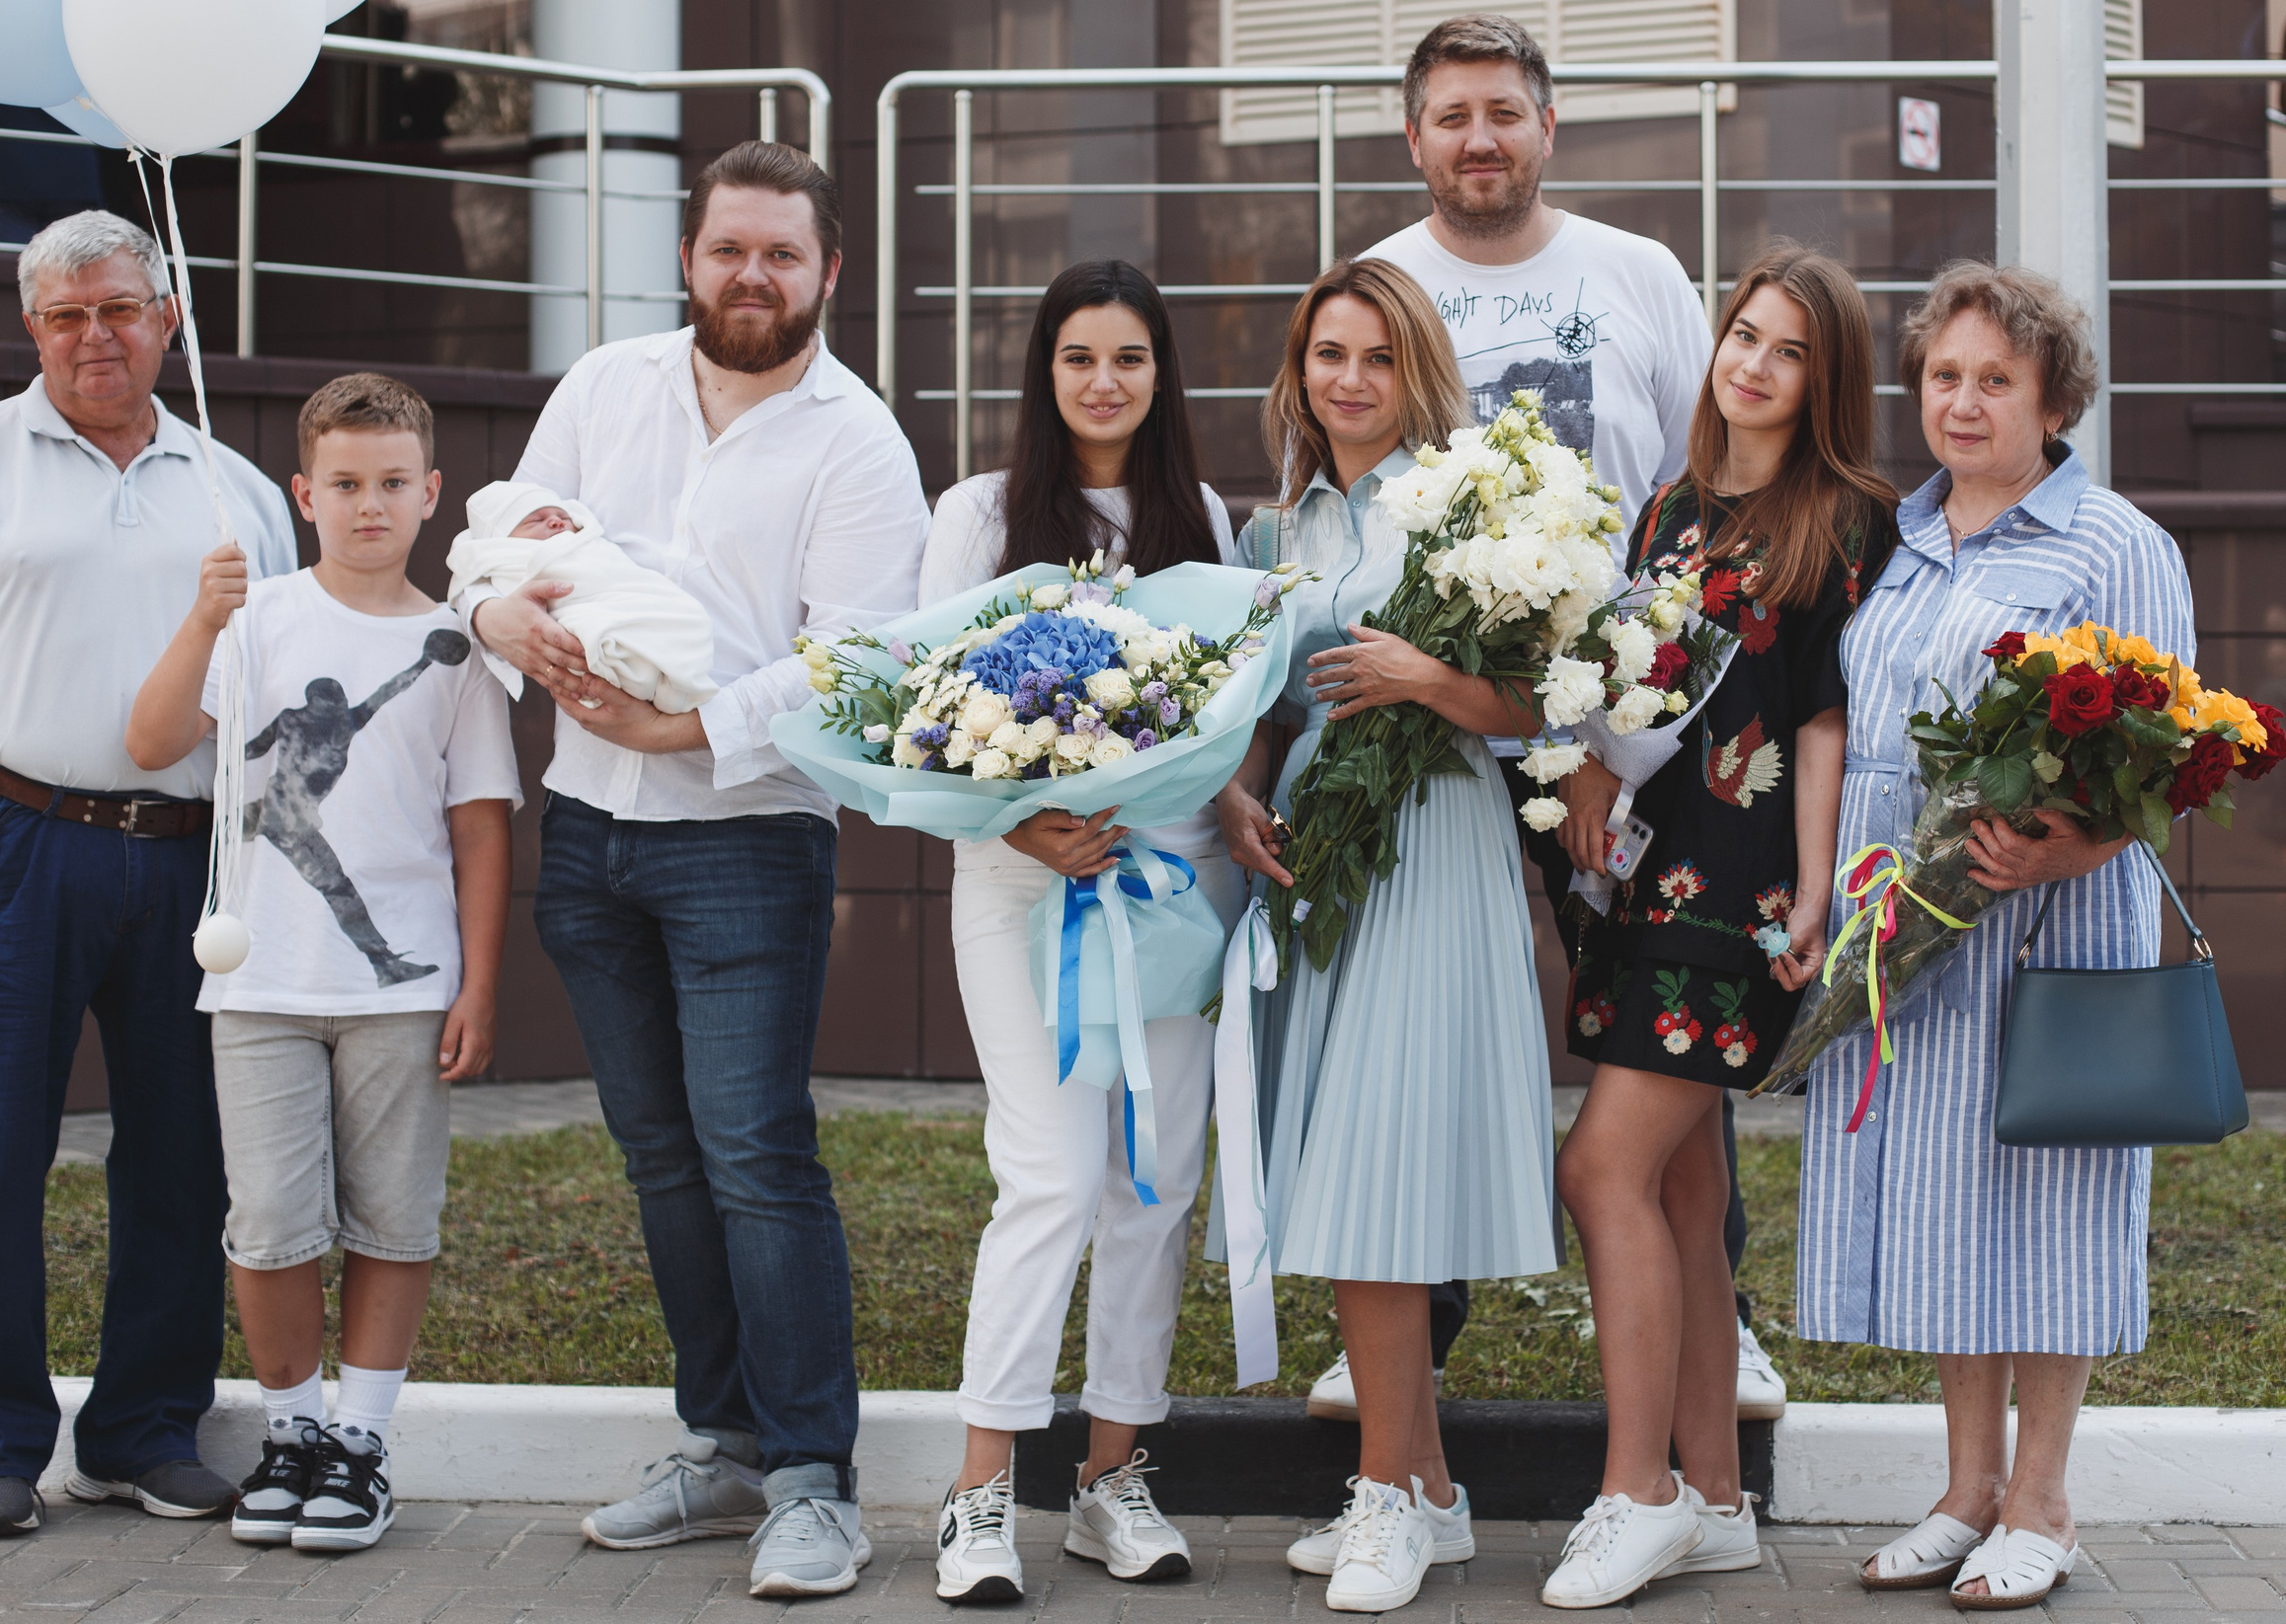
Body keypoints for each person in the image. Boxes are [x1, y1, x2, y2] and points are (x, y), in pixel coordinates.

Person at [464, 140, 928, 1600]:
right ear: (688, 257)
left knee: (755, 1156)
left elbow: (853, 662)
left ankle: (812, 1479)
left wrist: (681, 727)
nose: (752, 275)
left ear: (829, 270)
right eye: (730, 248)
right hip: (587, 829)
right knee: (661, 1155)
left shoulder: (860, 443)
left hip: (747, 836)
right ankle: (723, 1444)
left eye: (782, 254)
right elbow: (492, 541)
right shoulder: (606, 386)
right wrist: (493, 618)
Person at [1315, 11, 1780, 1422]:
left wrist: (1609, 738)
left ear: (1547, 125)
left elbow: (1710, 480)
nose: (1481, 139)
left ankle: (1723, 1314)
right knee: (1428, 1026)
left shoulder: (1635, 272)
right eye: (1453, 116)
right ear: (1413, 137)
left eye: (1504, 112)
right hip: (1434, 735)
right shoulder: (1381, 278)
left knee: (1660, 1027)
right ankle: (1413, 1314)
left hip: (1630, 734)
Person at [0, 210, 297, 1537]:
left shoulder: (238, 490)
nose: (95, 335)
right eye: (65, 315)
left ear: (168, 320)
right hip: (9, 844)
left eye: (119, 308)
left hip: (191, 859)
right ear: (32, 328)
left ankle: (143, 1429)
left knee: (183, 1154)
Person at [1800, 263, 2195, 1609]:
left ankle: (2044, 1499)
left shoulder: (2114, 545)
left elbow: (2170, 759)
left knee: (2047, 1193)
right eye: (1944, 376)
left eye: (1995, 380)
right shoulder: (1893, 538)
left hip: (2049, 919)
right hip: (1909, 920)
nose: (1962, 403)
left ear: (2053, 400)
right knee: (1941, 1203)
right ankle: (1965, 1489)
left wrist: (2059, 849)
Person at [1539, 247, 1896, 1607]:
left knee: (1599, 1169)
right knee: (1681, 1191)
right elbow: (1623, 688)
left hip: (1738, 902)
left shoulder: (1846, 520)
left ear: (1825, 380)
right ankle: (1714, 1498)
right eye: (1745, 334)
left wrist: (1813, 891)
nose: (1754, 363)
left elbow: (1823, 722)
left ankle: (1633, 1492)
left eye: (1789, 350)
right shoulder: (1669, 509)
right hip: (1639, 886)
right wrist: (1584, 768)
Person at [1216, 256, 1561, 1613]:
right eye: (1327, 354)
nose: (1348, 379)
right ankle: (1426, 1489)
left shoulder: (1479, 505)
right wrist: (1238, 796)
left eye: (1374, 355)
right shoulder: (1273, 531)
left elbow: (1542, 704)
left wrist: (1428, 676)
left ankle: (1384, 1500)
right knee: (1354, 1164)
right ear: (1299, 371)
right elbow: (1258, 710)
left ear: (1414, 367)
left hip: (1436, 843)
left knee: (1380, 1162)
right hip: (1317, 851)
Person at [124, 374, 520, 1552]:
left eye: (392, 482)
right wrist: (202, 622)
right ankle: (293, 1433)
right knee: (269, 1221)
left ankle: (361, 1441)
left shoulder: (456, 648)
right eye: (344, 483)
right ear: (303, 495)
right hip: (259, 982)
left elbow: (480, 825)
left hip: (403, 993)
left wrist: (478, 982)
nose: (368, 504)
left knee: (394, 1217)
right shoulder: (255, 621)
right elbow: (151, 741)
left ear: (431, 493)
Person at [918, 260, 1242, 1604]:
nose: (1104, 381)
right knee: (1049, 1172)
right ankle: (980, 1485)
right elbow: (918, 718)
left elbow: (1225, 707)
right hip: (1020, 888)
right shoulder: (979, 513)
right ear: (1042, 371)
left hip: (1168, 882)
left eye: (1129, 357)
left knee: (1153, 1181)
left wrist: (1238, 805)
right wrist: (1020, 826)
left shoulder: (1200, 515)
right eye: (1077, 357)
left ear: (1161, 372)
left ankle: (1113, 1475)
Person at [443, 479, 720, 716]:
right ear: (503, 541)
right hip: (581, 613)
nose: (555, 521)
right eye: (536, 521)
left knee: (686, 616)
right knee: (598, 634)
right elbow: (476, 582)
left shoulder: (590, 544)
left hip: (625, 596)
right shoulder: (508, 560)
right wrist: (488, 614)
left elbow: (619, 575)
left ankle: (667, 670)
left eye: (562, 517)